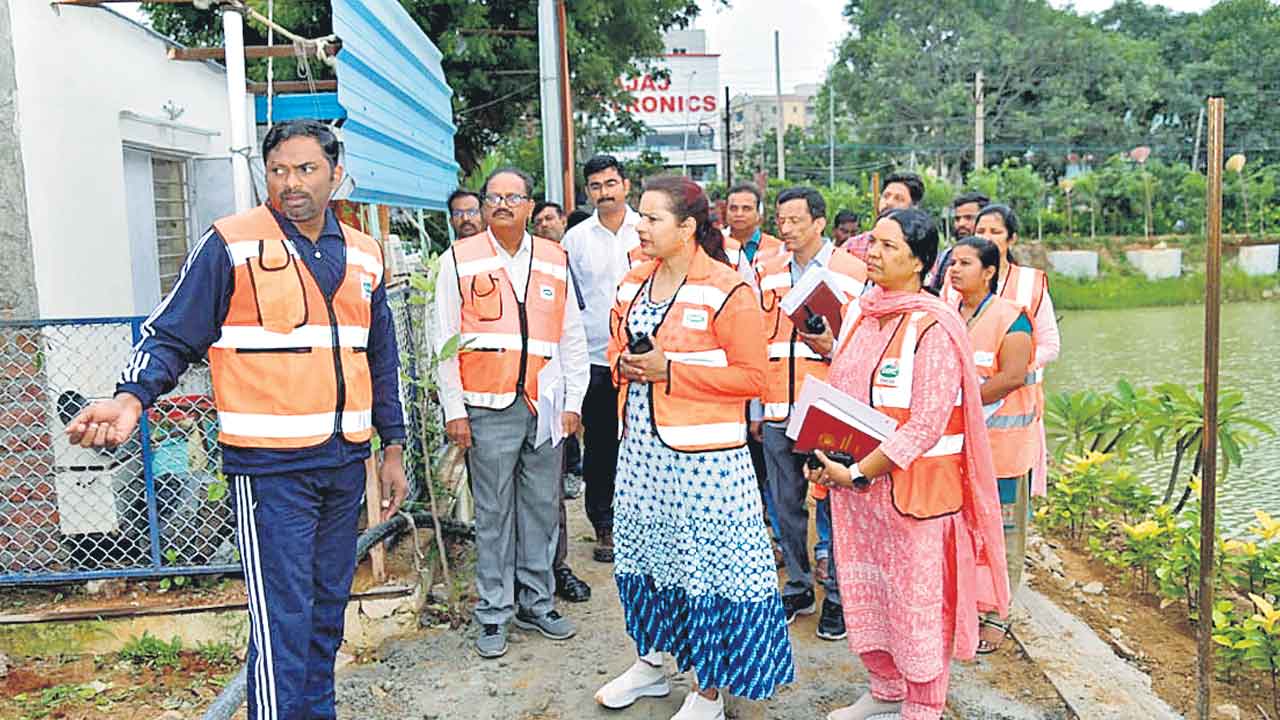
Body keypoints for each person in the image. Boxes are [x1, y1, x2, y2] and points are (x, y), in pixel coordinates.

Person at [67, 119, 408, 719]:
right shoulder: (231, 243)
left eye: (305, 169)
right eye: (278, 170)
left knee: (327, 610)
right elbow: (170, 333)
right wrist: (130, 399)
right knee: (283, 618)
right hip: (270, 469)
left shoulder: (364, 253)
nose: (290, 183)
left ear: (336, 173)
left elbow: (379, 357)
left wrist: (394, 447)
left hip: (345, 459)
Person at [594, 175, 794, 720]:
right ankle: (653, 662)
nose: (641, 226)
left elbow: (753, 378)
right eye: (642, 216)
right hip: (643, 455)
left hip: (706, 463)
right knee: (650, 558)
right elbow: (614, 351)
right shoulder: (632, 283)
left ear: (686, 228)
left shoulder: (729, 289)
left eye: (653, 218)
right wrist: (627, 365)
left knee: (708, 569)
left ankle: (708, 688)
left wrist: (671, 371)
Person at [805, 208, 1009, 720]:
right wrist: (824, 456)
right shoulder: (860, 313)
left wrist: (857, 471)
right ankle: (884, 689)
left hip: (914, 498)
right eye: (873, 242)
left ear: (919, 262)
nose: (873, 252)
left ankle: (923, 706)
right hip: (860, 496)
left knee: (917, 608)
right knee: (867, 591)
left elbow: (926, 423)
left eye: (889, 247)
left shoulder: (933, 326)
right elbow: (840, 396)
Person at [435, 167, 589, 658]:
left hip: (544, 407)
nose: (502, 204)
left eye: (513, 197)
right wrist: (454, 409)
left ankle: (537, 602)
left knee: (543, 508)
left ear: (529, 206)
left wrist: (573, 403)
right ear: (483, 207)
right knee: (495, 513)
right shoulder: (458, 259)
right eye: (493, 197)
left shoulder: (554, 258)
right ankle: (494, 612)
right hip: (486, 407)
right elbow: (442, 341)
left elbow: (572, 336)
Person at [752, 186, 867, 642]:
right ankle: (799, 586)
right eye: (782, 221)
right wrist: (758, 406)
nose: (788, 229)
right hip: (779, 403)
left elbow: (866, 346)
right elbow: (757, 340)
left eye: (797, 221)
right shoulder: (768, 269)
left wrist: (832, 348)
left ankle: (837, 596)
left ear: (820, 223)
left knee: (836, 504)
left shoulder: (853, 271)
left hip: (829, 406)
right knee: (785, 503)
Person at [947, 236, 1037, 654]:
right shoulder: (947, 314)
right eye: (952, 262)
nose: (955, 269)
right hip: (961, 447)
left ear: (988, 272)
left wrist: (959, 400)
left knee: (1004, 532)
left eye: (966, 263)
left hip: (1003, 447)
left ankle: (998, 614)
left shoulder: (1011, 317)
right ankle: (969, 607)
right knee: (966, 531)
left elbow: (1012, 375)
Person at [561, 155, 644, 564]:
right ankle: (604, 524)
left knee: (644, 441)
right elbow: (567, 302)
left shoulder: (647, 231)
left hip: (645, 359)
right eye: (595, 186)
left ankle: (647, 524)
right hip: (596, 360)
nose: (604, 192)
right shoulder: (574, 241)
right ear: (588, 191)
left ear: (625, 185)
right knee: (600, 447)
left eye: (611, 183)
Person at [967, 204, 1060, 499]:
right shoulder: (957, 282)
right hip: (969, 404)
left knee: (1011, 496)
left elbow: (1050, 345)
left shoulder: (1030, 283)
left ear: (1011, 239)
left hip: (1014, 408)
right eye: (981, 231)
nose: (988, 237)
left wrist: (1015, 367)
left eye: (996, 231)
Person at [843, 172, 924, 260]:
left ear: (914, 208)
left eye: (898, 198)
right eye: (886, 196)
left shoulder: (920, 251)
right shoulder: (853, 246)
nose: (889, 202)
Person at [926, 191, 989, 293]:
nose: (961, 224)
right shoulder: (946, 256)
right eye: (957, 219)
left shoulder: (997, 258)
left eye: (969, 218)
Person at [723, 182, 784, 268]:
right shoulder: (715, 244)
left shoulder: (778, 249)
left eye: (746, 208)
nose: (739, 214)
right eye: (733, 208)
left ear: (759, 213)